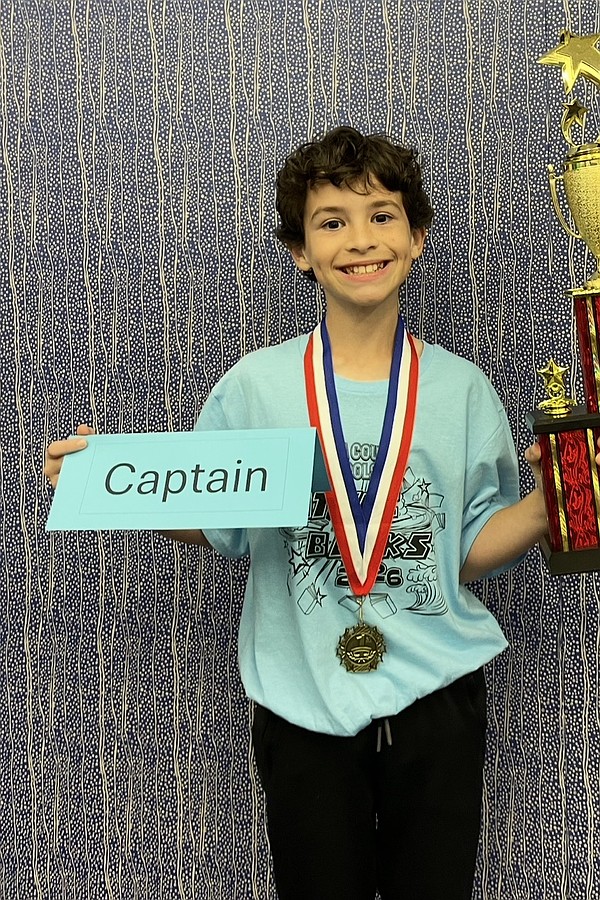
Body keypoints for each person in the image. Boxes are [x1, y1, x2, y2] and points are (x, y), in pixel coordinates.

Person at [45, 126, 554, 899]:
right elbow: (217, 520)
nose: (360, 239)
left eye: (382, 216)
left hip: (437, 696)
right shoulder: (256, 387)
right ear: (300, 251)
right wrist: (111, 485)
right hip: (301, 700)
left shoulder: (463, 390)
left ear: (416, 239)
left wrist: (553, 505)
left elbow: (469, 544)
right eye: (331, 221)